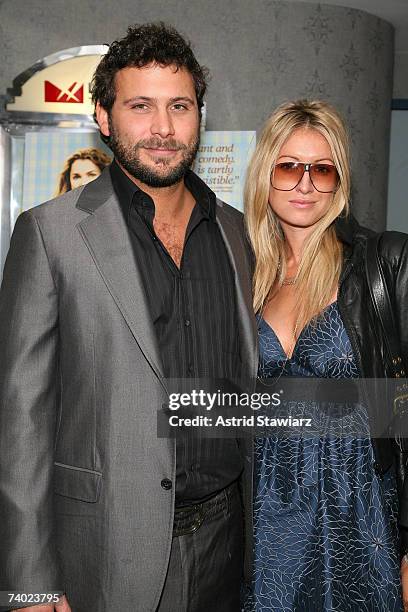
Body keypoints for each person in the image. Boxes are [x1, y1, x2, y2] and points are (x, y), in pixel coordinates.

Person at [0, 23, 257, 612]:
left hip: (230, 545)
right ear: (104, 117)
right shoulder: (50, 233)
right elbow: (20, 422)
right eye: (140, 106)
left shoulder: (236, 233)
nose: (163, 129)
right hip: (107, 552)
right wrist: (29, 584)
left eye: (179, 107)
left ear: (200, 115)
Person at [243, 99, 408, 611]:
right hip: (264, 514)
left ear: (339, 182)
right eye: (289, 166)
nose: (306, 184)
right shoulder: (245, 274)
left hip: (358, 510)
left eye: (322, 169)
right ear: (265, 175)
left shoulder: (385, 261)